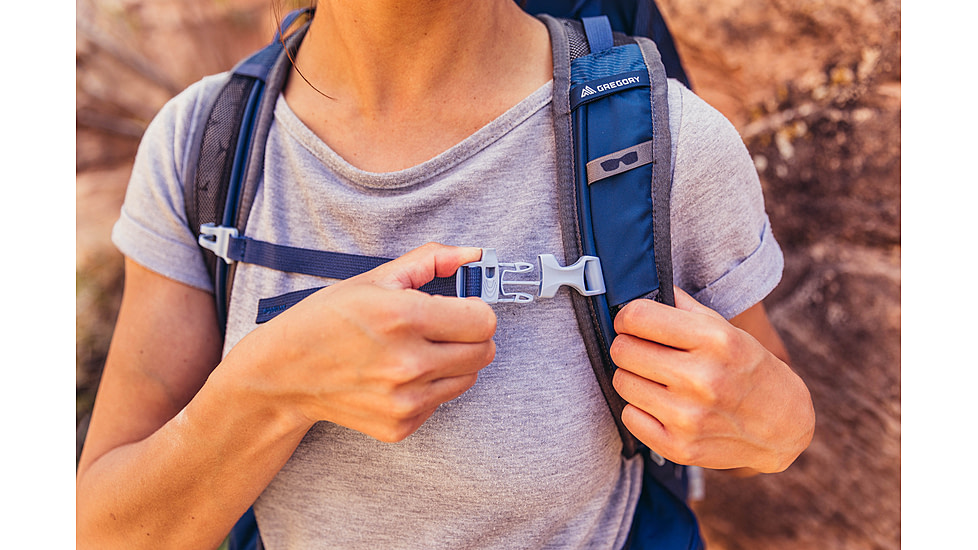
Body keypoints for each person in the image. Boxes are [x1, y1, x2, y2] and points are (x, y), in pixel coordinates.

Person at [75, 1, 815, 548]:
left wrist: (782, 425)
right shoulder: (202, 145)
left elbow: (752, 416)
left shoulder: (659, 144)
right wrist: (272, 385)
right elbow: (105, 532)